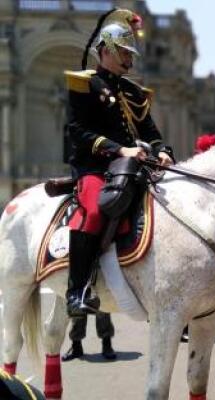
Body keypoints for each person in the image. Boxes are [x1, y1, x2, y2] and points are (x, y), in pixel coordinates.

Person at [65, 14, 174, 316]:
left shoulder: (134, 91)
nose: (129, 58)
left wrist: (163, 151)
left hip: (135, 166)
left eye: (130, 53)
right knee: (96, 210)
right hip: (95, 166)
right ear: (106, 50)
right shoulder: (84, 85)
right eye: (124, 52)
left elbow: (150, 133)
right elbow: (78, 131)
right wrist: (120, 149)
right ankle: (77, 291)